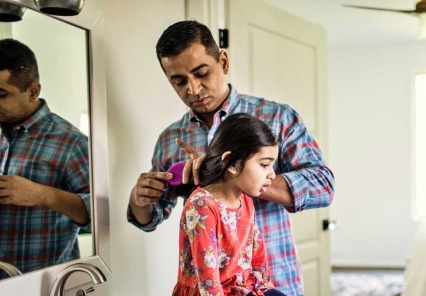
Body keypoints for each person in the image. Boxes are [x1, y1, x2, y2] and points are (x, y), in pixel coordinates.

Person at [127, 20, 335, 295]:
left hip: (274, 282)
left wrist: (229, 175)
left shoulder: (278, 117)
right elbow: (152, 217)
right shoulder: (169, 140)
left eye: (201, 73)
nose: (193, 89)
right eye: (178, 81)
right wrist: (139, 201)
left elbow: (323, 185)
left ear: (223, 62)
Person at [0, 38, 90, 277]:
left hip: (44, 285)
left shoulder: (72, 143)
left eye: (1, 94)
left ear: (33, 91)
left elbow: (99, 216)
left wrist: (42, 194)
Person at [173, 113, 286, 296]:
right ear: (231, 163)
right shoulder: (202, 207)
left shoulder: (246, 201)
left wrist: (265, 290)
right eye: (265, 165)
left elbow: (257, 258)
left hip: (241, 289)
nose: (272, 175)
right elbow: (208, 284)